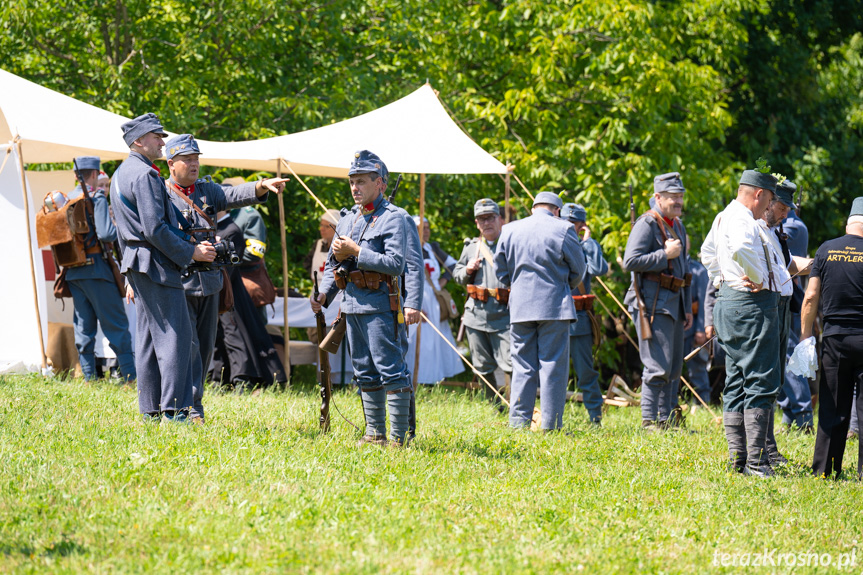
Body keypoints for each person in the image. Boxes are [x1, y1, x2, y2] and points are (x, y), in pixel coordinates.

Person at [163, 134, 288, 423]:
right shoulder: (161, 193)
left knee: (205, 348)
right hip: (179, 283)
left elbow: (232, 195)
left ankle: (194, 404)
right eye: (187, 159)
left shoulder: (207, 190)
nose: (194, 164)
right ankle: (180, 405)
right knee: (185, 346)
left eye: (196, 159)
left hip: (211, 284)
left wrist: (259, 186)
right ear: (171, 164)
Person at [110, 113, 213, 421]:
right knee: (176, 338)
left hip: (137, 264)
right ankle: (175, 411)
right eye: (157, 136)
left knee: (146, 340)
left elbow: (122, 230)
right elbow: (155, 229)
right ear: (139, 141)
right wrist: (191, 252)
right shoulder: (145, 175)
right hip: (155, 264)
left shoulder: (121, 173)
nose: (163, 141)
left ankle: (152, 411)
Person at [312, 150, 414, 446]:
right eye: (352, 182)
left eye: (361, 182)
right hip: (351, 305)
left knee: (391, 369)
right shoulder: (346, 220)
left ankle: (398, 438)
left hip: (381, 305)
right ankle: (374, 434)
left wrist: (358, 252)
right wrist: (324, 293)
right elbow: (334, 264)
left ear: (380, 183)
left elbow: (397, 263)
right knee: (364, 372)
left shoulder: (394, 218)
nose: (355, 188)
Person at [701, 167, 780, 476]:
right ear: (758, 194)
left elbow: (708, 253)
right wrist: (758, 277)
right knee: (761, 380)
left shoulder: (723, 216)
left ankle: (738, 459)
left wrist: (722, 277)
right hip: (751, 305)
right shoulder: (742, 219)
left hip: (728, 302)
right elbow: (742, 248)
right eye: (769, 200)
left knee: (736, 379)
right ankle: (757, 463)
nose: (769, 208)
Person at [494, 191, 586, 431]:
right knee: (552, 366)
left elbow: (501, 272)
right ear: (557, 210)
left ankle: (517, 424)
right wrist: (564, 284)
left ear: (534, 207)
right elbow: (579, 270)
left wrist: (518, 286)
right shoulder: (564, 229)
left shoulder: (510, 229)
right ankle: (550, 425)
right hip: (554, 306)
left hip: (520, 307)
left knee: (522, 365)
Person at [623, 173, 693, 430]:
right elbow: (630, 262)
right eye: (672, 196)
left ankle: (668, 419)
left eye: (680, 196)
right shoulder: (647, 223)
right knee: (657, 365)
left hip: (674, 303)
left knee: (674, 366)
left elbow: (684, 271)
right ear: (657, 197)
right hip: (653, 304)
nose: (678, 201)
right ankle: (649, 420)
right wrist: (664, 254)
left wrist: (687, 308)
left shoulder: (678, 225)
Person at [802, 198, 863, 478]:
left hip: (834, 339)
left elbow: (811, 295)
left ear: (849, 221)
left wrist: (806, 339)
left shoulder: (826, 249)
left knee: (832, 407)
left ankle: (825, 470)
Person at [64, 156, 136, 382]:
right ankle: (130, 377)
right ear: (94, 174)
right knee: (117, 325)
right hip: (97, 270)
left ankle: (88, 378)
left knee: (83, 328)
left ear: (77, 176)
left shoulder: (65, 199)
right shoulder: (96, 197)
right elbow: (106, 234)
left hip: (73, 273)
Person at [210, 210, 287, 391]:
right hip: (228, 283)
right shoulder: (216, 222)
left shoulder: (249, 216)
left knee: (245, 331)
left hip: (242, 283)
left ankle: (247, 377)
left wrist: (227, 257)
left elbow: (254, 252)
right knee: (224, 333)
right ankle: (222, 378)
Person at [452, 198, 511, 408]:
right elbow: (457, 275)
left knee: (511, 364)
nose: (487, 223)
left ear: (500, 219)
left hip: (504, 315)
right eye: (481, 219)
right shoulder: (471, 248)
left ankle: (519, 408)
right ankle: (496, 408)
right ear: (477, 223)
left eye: (490, 218)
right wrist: (467, 270)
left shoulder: (510, 244)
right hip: (476, 315)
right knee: (482, 366)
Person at [560, 202, 607, 425]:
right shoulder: (554, 242)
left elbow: (599, 269)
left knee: (585, 372)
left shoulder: (585, 247)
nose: (568, 226)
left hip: (579, 320)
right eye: (565, 221)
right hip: (554, 317)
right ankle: (551, 417)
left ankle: (595, 418)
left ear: (581, 225)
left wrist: (588, 242)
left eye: (573, 223)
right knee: (551, 371)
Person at [406, 216, 464, 384]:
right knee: (418, 342)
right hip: (416, 299)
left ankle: (434, 380)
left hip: (434, 302)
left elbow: (453, 265)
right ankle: (418, 380)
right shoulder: (406, 249)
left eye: (427, 228)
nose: (426, 231)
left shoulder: (433, 249)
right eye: (421, 228)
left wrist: (442, 281)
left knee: (434, 341)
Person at [775, 199, 815, 432]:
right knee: (782, 356)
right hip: (779, 296)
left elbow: (784, 261)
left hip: (787, 297)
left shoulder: (793, 227)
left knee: (789, 355)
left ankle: (803, 415)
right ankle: (791, 412)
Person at [302, 209, 353, 384]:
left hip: (340, 293)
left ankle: (348, 379)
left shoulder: (346, 246)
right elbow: (308, 265)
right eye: (321, 226)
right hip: (321, 294)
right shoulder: (318, 245)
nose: (322, 229)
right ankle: (326, 377)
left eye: (326, 226)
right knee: (321, 334)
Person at [683, 242, 710, 408]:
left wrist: (701, 329)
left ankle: (702, 403)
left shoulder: (698, 270)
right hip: (676, 326)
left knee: (697, 368)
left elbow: (704, 302)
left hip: (693, 329)